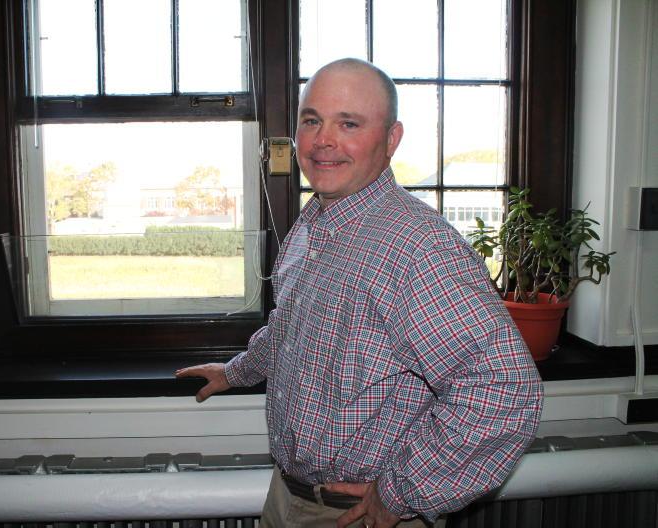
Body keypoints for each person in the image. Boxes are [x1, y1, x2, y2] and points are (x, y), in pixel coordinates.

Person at [176, 58, 543, 528]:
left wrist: (402, 490)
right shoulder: (315, 222)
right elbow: (293, 327)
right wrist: (236, 372)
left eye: (348, 123)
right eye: (312, 121)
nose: (323, 140)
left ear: (391, 140)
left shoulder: (419, 249)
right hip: (287, 496)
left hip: (357, 515)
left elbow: (503, 389)